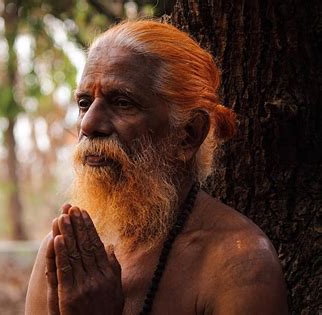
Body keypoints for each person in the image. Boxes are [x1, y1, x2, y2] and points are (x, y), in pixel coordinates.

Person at [25, 20, 288, 315]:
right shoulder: (67, 251)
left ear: (188, 134)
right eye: (85, 103)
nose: (88, 124)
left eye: (122, 103)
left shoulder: (240, 264)